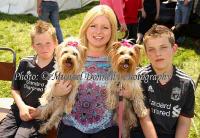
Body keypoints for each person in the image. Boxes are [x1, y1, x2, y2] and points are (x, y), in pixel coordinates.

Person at [36, 5, 157, 138]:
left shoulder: (118, 59)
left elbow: (134, 89)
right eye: (93, 26)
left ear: (112, 30)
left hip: (106, 126)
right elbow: (53, 86)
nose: (98, 32)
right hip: (72, 124)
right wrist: (56, 91)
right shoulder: (74, 54)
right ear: (86, 27)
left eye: (105, 27)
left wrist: (129, 94)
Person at [134, 24, 195, 138]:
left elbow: (184, 121)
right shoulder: (140, 77)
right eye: (151, 49)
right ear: (146, 54)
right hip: (143, 133)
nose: (158, 53)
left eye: (163, 47)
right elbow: (144, 117)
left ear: (174, 49)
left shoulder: (187, 83)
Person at [0, 20, 57, 138]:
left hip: (41, 115)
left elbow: (60, 98)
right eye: (38, 44)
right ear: (32, 45)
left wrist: (40, 112)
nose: (44, 48)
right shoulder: (25, 63)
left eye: (48, 43)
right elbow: (15, 89)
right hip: (18, 110)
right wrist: (21, 107)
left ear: (55, 42)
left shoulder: (59, 68)